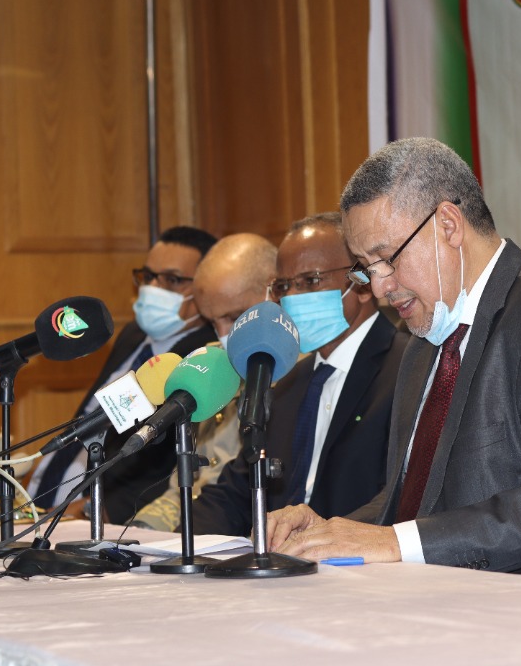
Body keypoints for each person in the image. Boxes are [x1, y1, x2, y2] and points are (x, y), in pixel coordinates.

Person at [266, 137, 521, 577]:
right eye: (367, 268)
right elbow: (417, 504)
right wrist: (328, 530)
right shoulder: (426, 343)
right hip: (439, 597)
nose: (381, 288)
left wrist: (393, 542)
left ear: (448, 224)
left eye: (387, 259)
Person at [190, 213, 407, 536]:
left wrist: (323, 536)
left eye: (310, 281)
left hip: (358, 557)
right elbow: (236, 491)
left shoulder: (407, 369)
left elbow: (403, 494)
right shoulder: (287, 381)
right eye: (284, 286)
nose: (292, 298)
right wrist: (179, 543)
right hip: (281, 560)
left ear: (362, 283)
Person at [27, 226, 218, 520]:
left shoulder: (202, 358)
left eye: (172, 280)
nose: (153, 288)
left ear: (205, 288)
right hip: (45, 496)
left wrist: (94, 510)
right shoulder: (133, 335)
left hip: (99, 514)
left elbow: (165, 463)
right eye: (148, 276)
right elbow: (92, 417)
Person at [132, 233, 277, 531]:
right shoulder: (212, 362)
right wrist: (141, 531)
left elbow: (243, 497)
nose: (224, 335)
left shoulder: (294, 373)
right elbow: (181, 489)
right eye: (213, 322)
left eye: (235, 317)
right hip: (192, 528)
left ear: (274, 293)